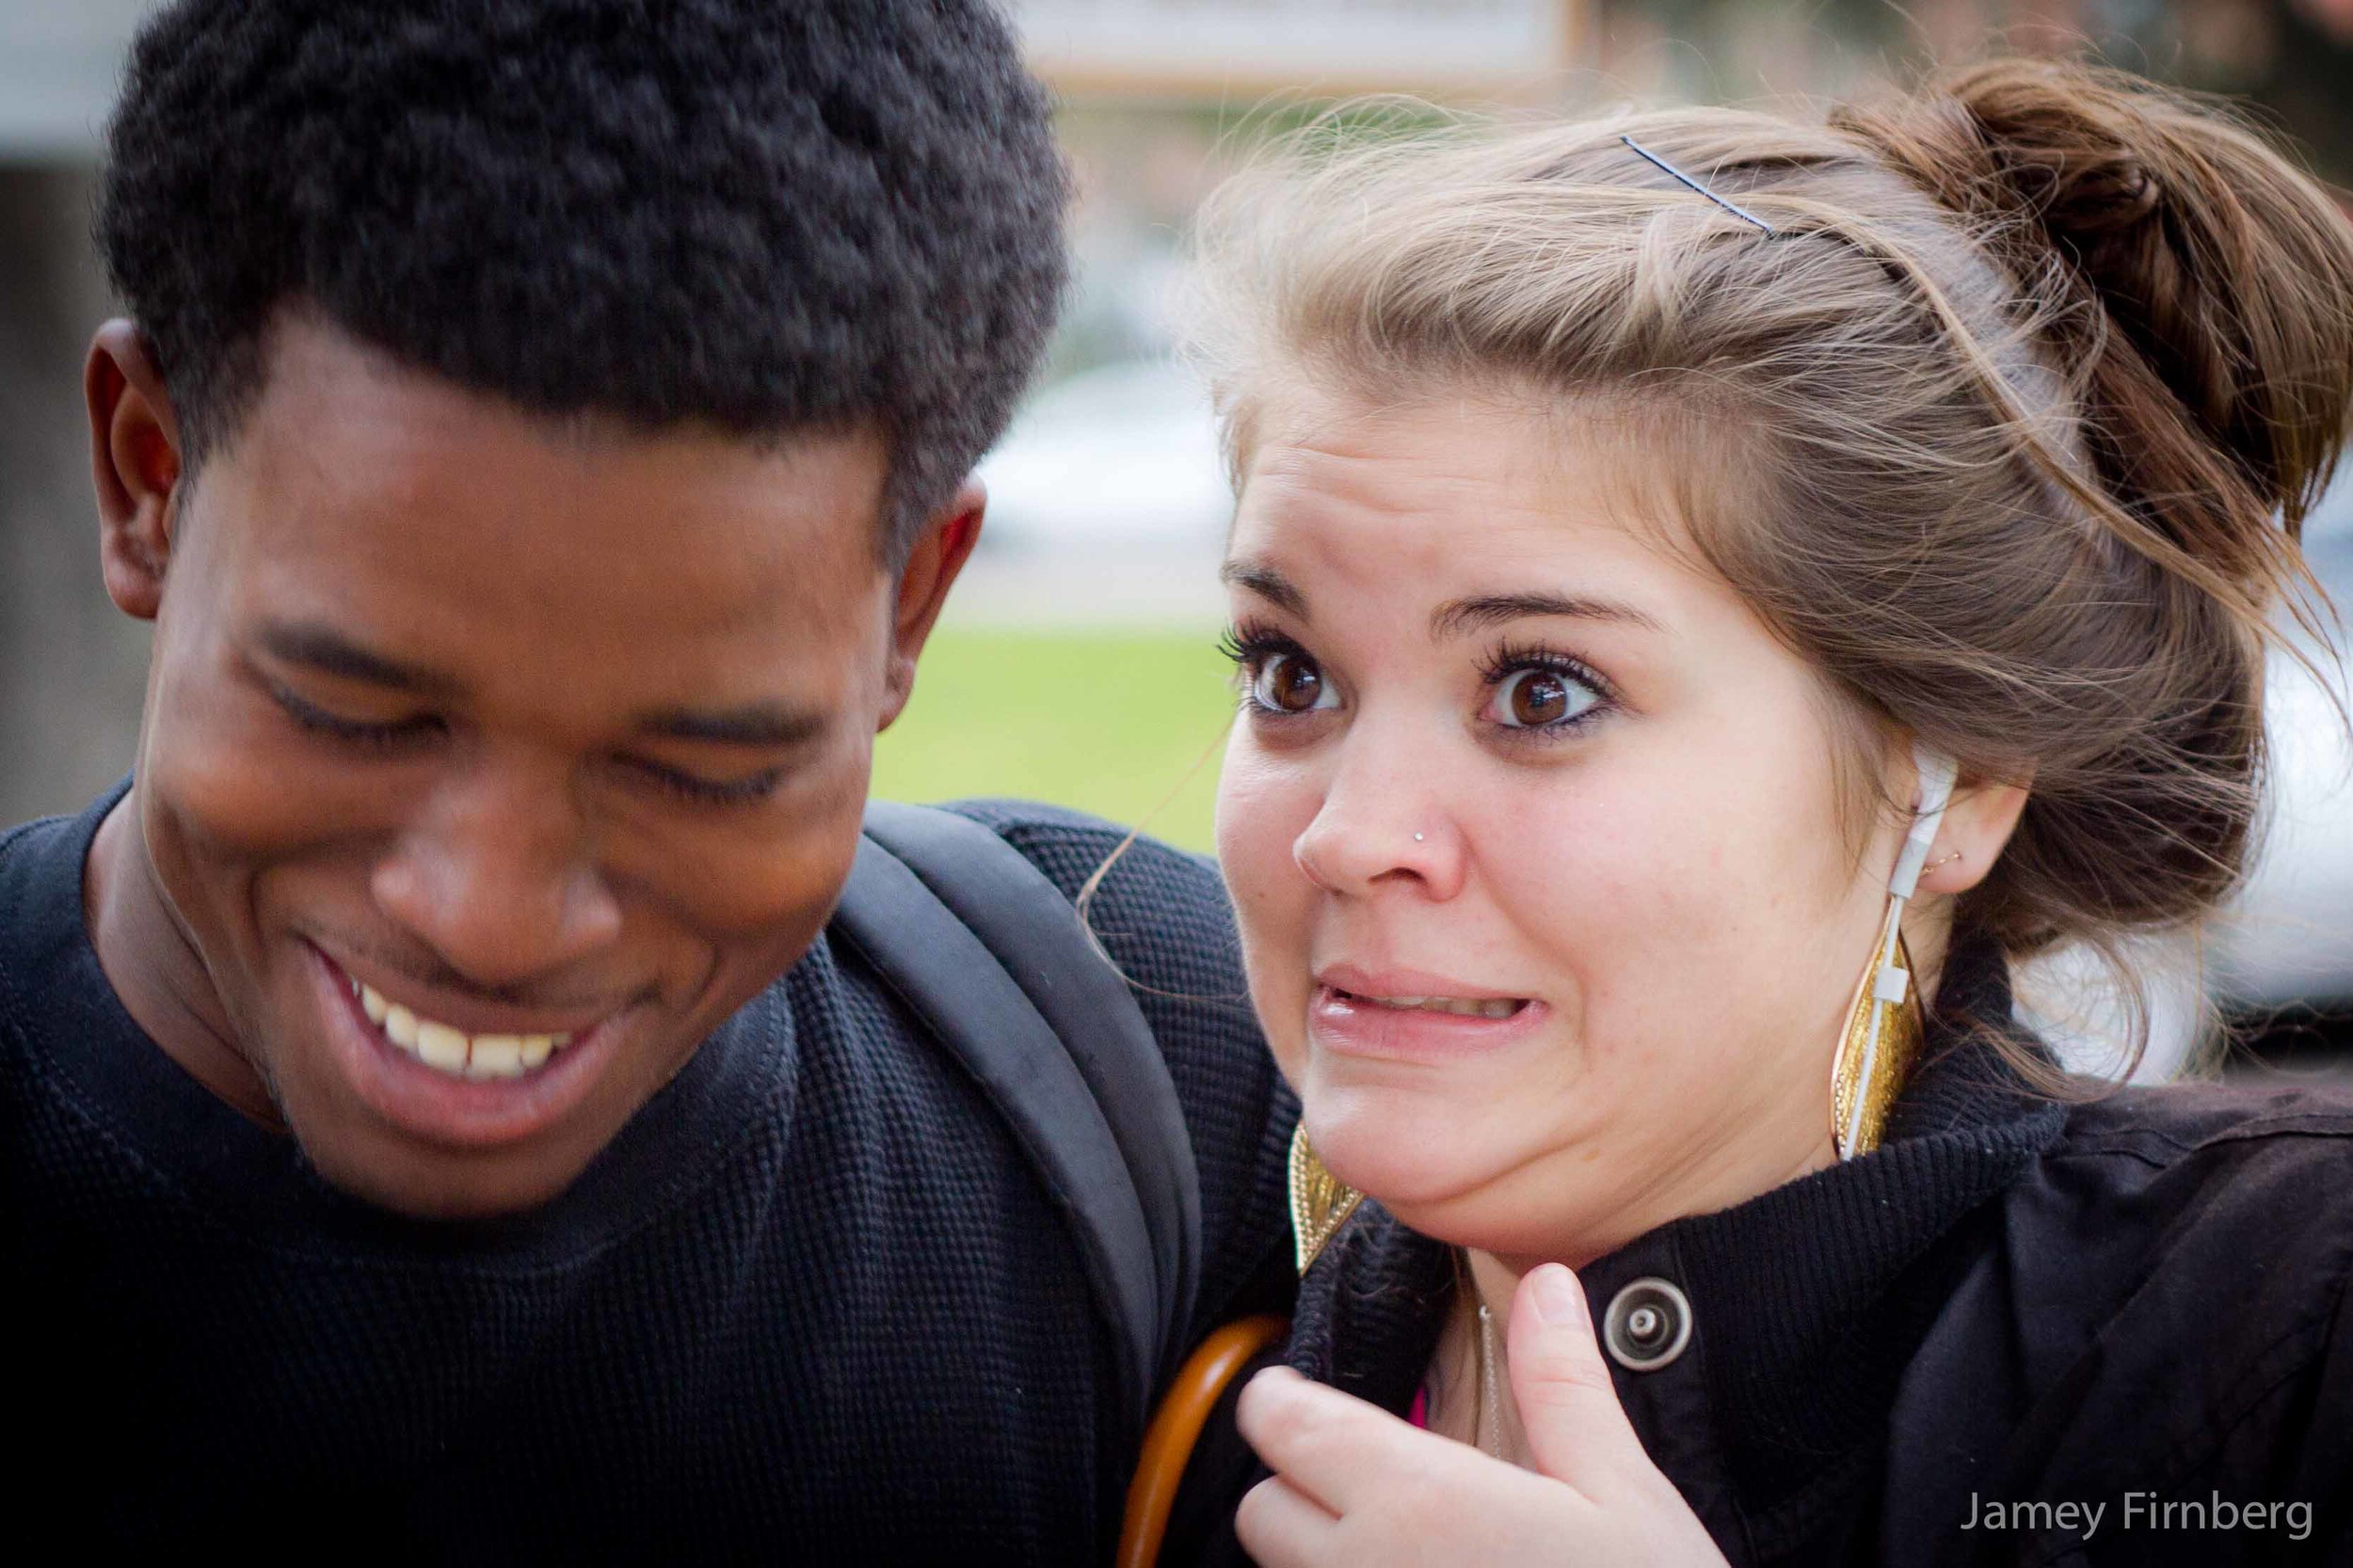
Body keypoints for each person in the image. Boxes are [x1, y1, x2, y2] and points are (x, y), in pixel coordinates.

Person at [2, 0, 1294, 1557]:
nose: (492, 920)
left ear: (909, 610)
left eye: (698, 768)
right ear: (149, 476)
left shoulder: (1213, 1101)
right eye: (355, 712)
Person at [1164, 56, 2353, 1567]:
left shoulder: (2271, 1336)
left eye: (1542, 692)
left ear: (1960, 776)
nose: (1347, 830)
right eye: (1289, 674)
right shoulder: (1141, 1315)